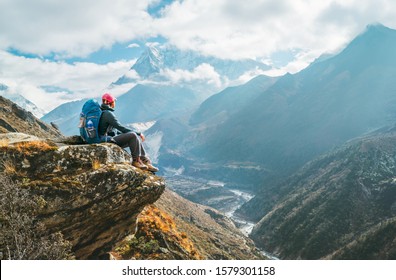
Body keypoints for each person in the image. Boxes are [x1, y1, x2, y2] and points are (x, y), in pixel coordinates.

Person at [98, 92, 159, 172]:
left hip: (107, 138)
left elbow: (115, 131)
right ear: (111, 102)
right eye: (114, 101)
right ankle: (136, 161)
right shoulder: (108, 114)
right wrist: (138, 133)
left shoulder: (104, 112)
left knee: (134, 137)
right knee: (133, 136)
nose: (115, 103)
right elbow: (121, 128)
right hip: (107, 140)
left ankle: (144, 160)